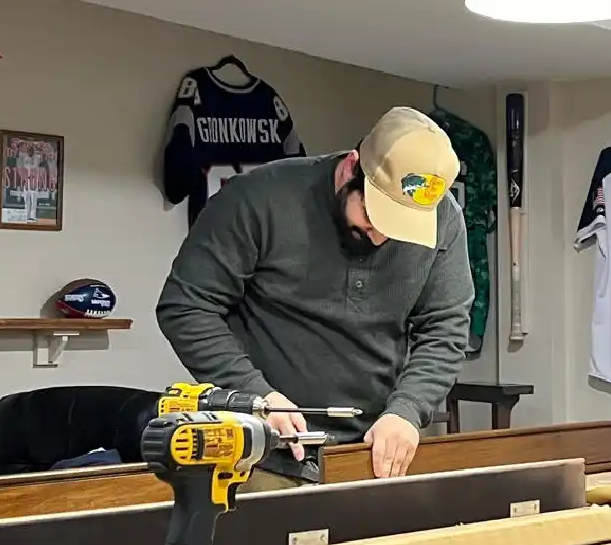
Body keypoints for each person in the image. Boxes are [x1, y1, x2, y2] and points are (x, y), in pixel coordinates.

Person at [156, 105, 473, 485]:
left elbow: (445, 328)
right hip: (262, 453)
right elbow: (186, 306)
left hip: (371, 453)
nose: (380, 237)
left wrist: (407, 411)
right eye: (373, 218)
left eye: (401, 229)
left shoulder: (444, 220)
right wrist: (256, 395)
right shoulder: (259, 198)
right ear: (350, 168)